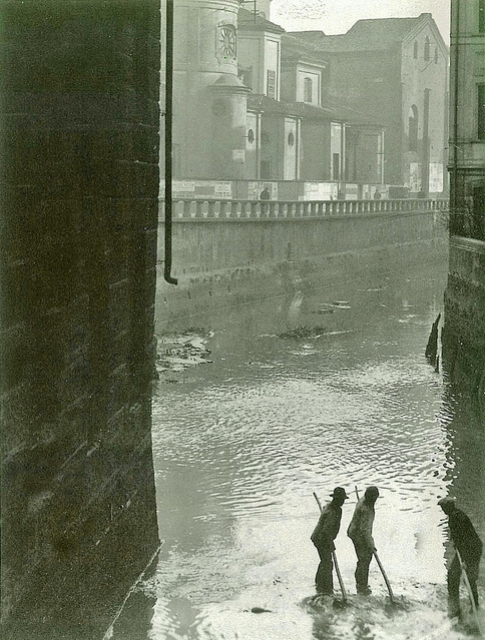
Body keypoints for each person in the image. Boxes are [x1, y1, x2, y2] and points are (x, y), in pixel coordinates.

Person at [438, 496, 483, 617]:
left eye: (443, 508)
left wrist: (464, 561)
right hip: (466, 550)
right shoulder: (455, 515)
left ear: (448, 507)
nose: (442, 510)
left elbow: (464, 540)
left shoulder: (456, 517)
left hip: (471, 551)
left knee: (469, 578)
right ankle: (455, 603)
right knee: (453, 575)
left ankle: (474, 606)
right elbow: (459, 538)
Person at [311, 487, 349, 595]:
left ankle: (319, 585)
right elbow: (326, 531)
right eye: (340, 499)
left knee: (324, 561)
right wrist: (331, 544)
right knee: (327, 562)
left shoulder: (329, 507)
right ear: (335, 499)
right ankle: (326, 588)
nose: (342, 502)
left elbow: (324, 509)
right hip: (321, 538)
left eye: (343, 500)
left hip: (319, 537)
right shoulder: (333, 511)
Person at [347, 486, 379, 595]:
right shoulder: (366, 510)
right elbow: (365, 530)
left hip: (353, 531)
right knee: (365, 558)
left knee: (362, 558)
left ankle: (359, 582)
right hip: (358, 535)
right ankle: (362, 585)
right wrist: (371, 545)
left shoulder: (362, 500)